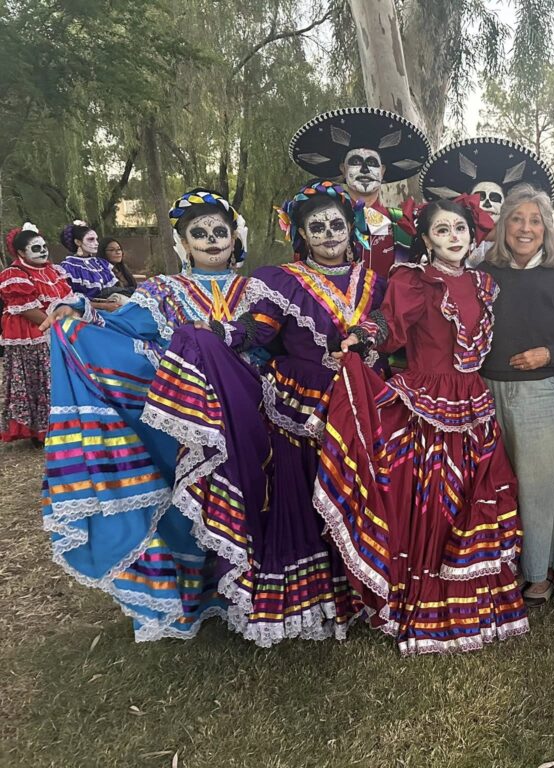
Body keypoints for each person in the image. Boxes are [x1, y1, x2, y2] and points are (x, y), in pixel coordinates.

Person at [142, 179, 387, 646]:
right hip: (302, 408)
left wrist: (373, 334)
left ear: (350, 228)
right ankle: (317, 598)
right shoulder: (281, 280)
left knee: (361, 489)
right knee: (310, 499)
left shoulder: (376, 281)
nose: (329, 233)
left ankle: (363, 587)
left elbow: (394, 326)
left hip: (361, 402)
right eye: (317, 227)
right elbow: (256, 330)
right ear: (301, 235)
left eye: (337, 223)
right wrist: (213, 336)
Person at [311, 198, 529, 655]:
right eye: (442, 230)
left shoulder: (486, 283)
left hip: (475, 401)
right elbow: (391, 324)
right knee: (431, 502)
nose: (454, 236)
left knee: (478, 493)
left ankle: (479, 603)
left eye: (460, 228)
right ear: (425, 240)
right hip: (428, 401)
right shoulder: (414, 279)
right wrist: (362, 336)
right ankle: (423, 602)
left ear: (472, 236)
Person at [40, 189, 259, 641]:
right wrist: (77, 312)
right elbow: (122, 325)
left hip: (254, 412)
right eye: (199, 233)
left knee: (257, 496)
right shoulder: (164, 291)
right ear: (183, 244)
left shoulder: (256, 288)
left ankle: (262, 589)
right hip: (190, 419)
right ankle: (204, 594)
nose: (212, 240)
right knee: (190, 504)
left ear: (235, 238)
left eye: (220, 231)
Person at [476, 183, 554, 606]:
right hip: (485, 388)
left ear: (546, 229)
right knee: (491, 483)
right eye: (516, 219)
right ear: (503, 227)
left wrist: (549, 354)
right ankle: (494, 568)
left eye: (534, 220)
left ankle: (538, 575)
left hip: (541, 390)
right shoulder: (484, 275)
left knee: (539, 487)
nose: (525, 228)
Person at [289, 107, 430, 276]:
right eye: (356, 162)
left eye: (372, 163)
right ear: (343, 169)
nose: (364, 169)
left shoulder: (403, 223)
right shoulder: (320, 220)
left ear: (382, 171)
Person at [419, 137, 554, 265]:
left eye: (495, 198)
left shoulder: (522, 248)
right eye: (479, 197)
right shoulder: (447, 245)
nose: (486, 204)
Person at [0, 224, 72, 443]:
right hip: (32, 335)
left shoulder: (54, 271)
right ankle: (40, 430)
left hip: (56, 329)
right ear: (21, 252)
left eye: (44, 246)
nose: (43, 251)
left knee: (56, 379)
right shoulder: (14, 275)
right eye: (36, 248)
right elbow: (29, 310)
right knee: (38, 380)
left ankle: (62, 424)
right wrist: (58, 325)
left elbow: (68, 299)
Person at [56, 220, 119, 299]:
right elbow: (72, 298)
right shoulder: (69, 267)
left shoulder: (100, 263)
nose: (97, 243)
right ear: (78, 242)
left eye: (96, 239)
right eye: (91, 239)